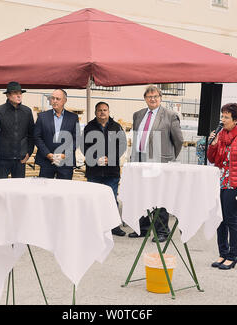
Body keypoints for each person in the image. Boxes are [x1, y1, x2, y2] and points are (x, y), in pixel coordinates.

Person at [129, 85, 184, 242]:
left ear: (161, 98)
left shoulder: (170, 115)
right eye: (149, 96)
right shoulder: (138, 115)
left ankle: (162, 231)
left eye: (155, 96)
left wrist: (169, 158)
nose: (152, 99)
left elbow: (178, 140)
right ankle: (143, 228)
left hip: (161, 162)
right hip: (140, 161)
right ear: (145, 98)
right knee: (142, 196)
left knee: (160, 197)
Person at [208, 103, 237, 270]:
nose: (222, 119)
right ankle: (222, 253)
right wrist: (212, 144)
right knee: (219, 220)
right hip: (219, 183)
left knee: (231, 220)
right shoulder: (220, 136)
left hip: (234, 184)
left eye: (226, 117)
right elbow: (213, 159)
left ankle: (232, 256)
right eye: (222, 116)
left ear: (235, 120)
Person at [82, 102, 127, 236]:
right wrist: (95, 158)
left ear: (108, 111)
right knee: (93, 199)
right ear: (95, 112)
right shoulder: (89, 127)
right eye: (99, 110)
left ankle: (113, 226)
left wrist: (110, 158)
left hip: (111, 171)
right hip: (94, 171)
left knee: (111, 199)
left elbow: (122, 145)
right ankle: (93, 226)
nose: (102, 112)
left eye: (105, 110)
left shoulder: (116, 127)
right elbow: (84, 147)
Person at [34, 89, 80, 179]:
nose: (54, 101)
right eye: (53, 98)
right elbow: (37, 137)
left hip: (66, 162)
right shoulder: (42, 117)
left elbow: (76, 139)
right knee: (45, 191)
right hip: (46, 161)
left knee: (64, 191)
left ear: (65, 100)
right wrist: (48, 154)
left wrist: (64, 155)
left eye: (57, 99)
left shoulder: (73, 118)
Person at [0, 81, 34, 178]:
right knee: (0, 188)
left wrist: (29, 152)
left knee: (18, 189)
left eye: (20, 93)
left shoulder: (27, 111)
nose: (19, 96)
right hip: (2, 159)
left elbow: (31, 134)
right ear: (8, 95)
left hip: (20, 159)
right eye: (15, 93)